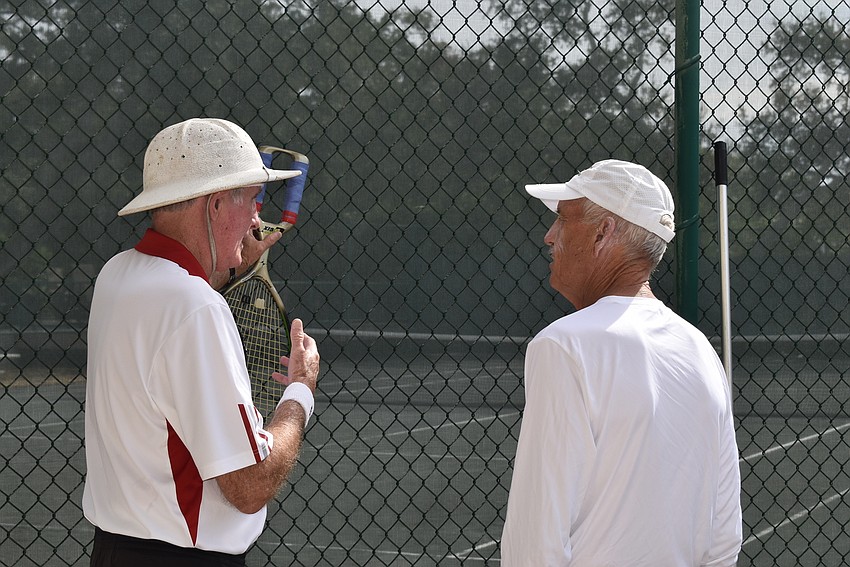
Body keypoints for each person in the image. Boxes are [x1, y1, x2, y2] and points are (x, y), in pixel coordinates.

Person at [83, 118, 320, 566]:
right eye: (251, 200)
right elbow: (249, 486)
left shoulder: (116, 275)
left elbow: (176, 303)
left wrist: (220, 264)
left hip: (114, 550)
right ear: (214, 206)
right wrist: (300, 394)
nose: (256, 219)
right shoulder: (195, 307)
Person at [501, 160, 742, 566]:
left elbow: (536, 538)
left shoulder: (564, 345)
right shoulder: (699, 348)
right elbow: (723, 538)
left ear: (603, 231)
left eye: (562, 220)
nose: (549, 236)